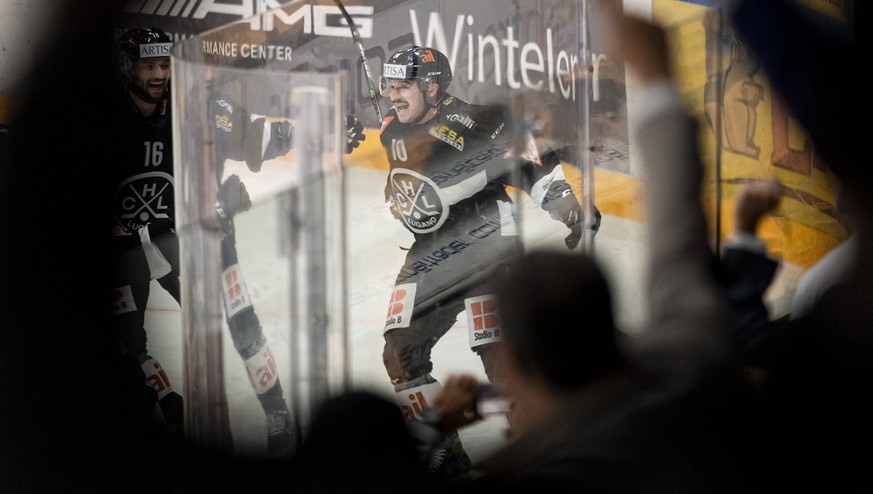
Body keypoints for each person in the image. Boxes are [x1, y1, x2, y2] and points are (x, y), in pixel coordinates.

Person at [403, 10, 774, 493]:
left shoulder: (541, 475)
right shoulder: (690, 366)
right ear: (612, 329)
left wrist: (436, 425)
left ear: (515, 365)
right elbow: (681, 257)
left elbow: (363, 474)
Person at [375, 45, 595, 478]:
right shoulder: (390, 129)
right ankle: (447, 460)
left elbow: (531, 161)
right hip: (431, 253)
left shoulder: (481, 121)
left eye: (404, 87)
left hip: (489, 244)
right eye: (391, 87)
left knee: (502, 357)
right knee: (399, 354)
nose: (394, 97)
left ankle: (541, 458)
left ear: (432, 87)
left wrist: (566, 204)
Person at [111, 26, 329, 457]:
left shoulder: (200, 105)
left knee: (241, 320)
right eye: (148, 65)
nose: (158, 74)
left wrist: (315, 128)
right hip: (125, 246)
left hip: (196, 237)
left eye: (163, 65)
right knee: (128, 341)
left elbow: (255, 134)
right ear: (128, 68)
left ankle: (276, 410)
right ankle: (170, 408)